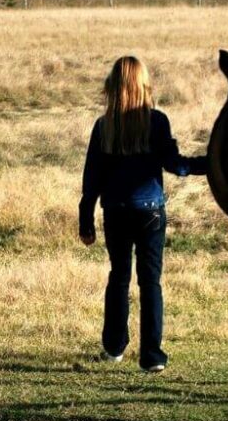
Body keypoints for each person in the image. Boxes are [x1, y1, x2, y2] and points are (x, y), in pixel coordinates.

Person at [79, 56, 207, 372]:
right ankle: (151, 355)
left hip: (115, 212)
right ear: (144, 84)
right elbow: (175, 164)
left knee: (119, 276)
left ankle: (114, 346)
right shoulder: (157, 121)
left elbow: (91, 177)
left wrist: (86, 218)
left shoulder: (103, 126)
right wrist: (208, 164)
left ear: (113, 86)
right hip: (151, 212)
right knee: (151, 282)